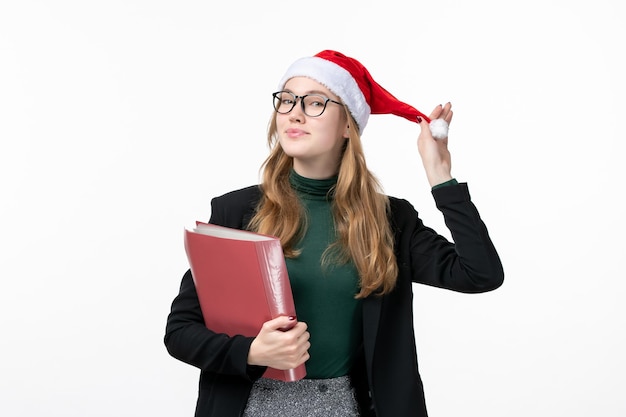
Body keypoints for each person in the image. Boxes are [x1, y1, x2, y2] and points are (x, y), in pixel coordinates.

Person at [164, 49, 504, 417]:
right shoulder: (236, 211)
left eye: (314, 103)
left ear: (348, 125)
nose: (294, 112)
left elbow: (480, 273)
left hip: (345, 406)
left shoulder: (389, 219)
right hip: (251, 405)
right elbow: (180, 331)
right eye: (287, 101)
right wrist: (251, 352)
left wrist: (441, 176)